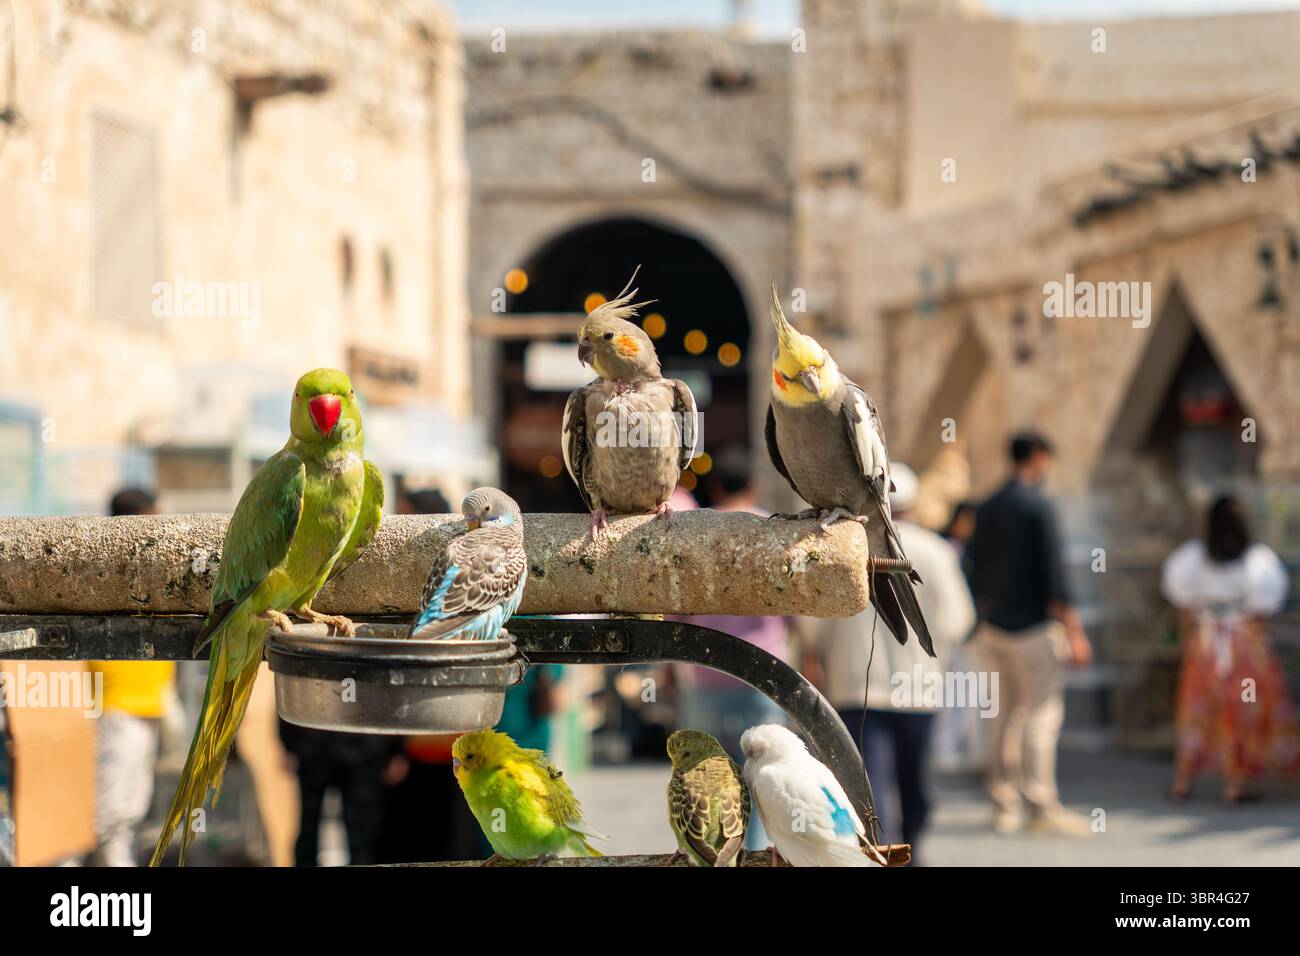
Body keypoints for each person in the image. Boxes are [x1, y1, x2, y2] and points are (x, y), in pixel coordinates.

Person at [815, 464, 974, 860]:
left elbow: (815, 629)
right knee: (914, 782)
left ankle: (882, 857)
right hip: (919, 690)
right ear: (915, 503)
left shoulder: (844, 550)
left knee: (870, 788)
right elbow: (959, 621)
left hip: (855, 687)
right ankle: (913, 853)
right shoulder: (937, 551)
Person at [967, 433, 1093, 835]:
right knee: (1041, 715)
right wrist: (1075, 632)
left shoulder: (986, 507)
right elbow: (1055, 577)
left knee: (1001, 717)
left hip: (991, 628)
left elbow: (972, 568)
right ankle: (1040, 803)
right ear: (1039, 457)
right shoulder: (1039, 506)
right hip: (1033, 629)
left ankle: (1003, 804)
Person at [1162, 495, 1298, 802]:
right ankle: (1234, 783)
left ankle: (1182, 780)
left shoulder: (1192, 557)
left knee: (1198, 709)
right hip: (1244, 643)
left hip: (1205, 643)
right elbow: (1261, 610)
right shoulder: (1257, 559)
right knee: (1240, 710)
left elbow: (1183, 605)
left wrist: (1188, 642)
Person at [88, 488, 177, 866]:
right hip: (118, 704)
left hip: (147, 703)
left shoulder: (141, 565)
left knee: (134, 805)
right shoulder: (112, 567)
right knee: (114, 811)